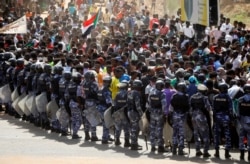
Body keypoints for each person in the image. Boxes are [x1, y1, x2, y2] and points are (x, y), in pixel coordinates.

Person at [190, 84, 213, 157]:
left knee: (196, 133)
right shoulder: (204, 98)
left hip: (193, 116)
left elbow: (190, 109)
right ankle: (205, 151)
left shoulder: (192, 97)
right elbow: (209, 108)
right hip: (201, 117)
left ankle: (198, 150)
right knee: (205, 133)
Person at [213, 83, 233, 158]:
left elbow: (213, 109)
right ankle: (227, 153)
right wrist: (231, 119)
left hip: (217, 118)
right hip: (226, 118)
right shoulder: (228, 97)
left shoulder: (215, 97)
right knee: (227, 134)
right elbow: (231, 110)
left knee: (216, 134)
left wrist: (215, 118)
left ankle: (217, 152)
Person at [148, 79, 167, 153]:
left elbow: (149, 103)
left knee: (152, 129)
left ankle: (153, 146)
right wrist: (163, 113)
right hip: (159, 113)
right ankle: (160, 147)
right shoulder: (162, 94)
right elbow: (164, 105)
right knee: (159, 130)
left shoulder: (151, 93)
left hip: (152, 113)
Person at [170, 82, 189, 155]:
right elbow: (188, 107)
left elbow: (171, 107)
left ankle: (174, 148)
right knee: (181, 133)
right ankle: (180, 149)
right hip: (182, 116)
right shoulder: (186, 96)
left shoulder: (174, 96)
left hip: (175, 115)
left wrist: (170, 115)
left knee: (175, 132)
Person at [82, 70, 99, 141]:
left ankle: (86, 134)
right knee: (93, 118)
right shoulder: (94, 84)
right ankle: (94, 136)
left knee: (87, 118)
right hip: (93, 102)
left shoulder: (84, 83)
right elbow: (97, 93)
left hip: (86, 101)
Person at [112, 81, 130, 147]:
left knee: (118, 127)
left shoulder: (117, 94)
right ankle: (127, 142)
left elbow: (114, 103)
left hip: (117, 112)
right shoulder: (128, 94)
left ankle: (117, 140)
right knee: (126, 127)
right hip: (125, 112)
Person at [127, 80, 143, 150]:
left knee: (134, 128)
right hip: (135, 113)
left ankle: (135, 142)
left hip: (130, 112)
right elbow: (138, 105)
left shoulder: (130, 92)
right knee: (135, 129)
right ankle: (134, 144)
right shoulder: (137, 94)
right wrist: (141, 113)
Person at [97, 76, 113, 144]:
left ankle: (107, 136)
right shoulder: (106, 90)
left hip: (99, 108)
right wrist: (112, 109)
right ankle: (104, 139)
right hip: (105, 109)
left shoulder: (100, 88)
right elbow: (108, 102)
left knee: (105, 123)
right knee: (106, 124)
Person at [66, 73, 83, 139]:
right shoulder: (78, 86)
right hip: (76, 104)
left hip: (70, 103)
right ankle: (74, 133)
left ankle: (74, 132)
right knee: (79, 120)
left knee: (74, 119)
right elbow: (78, 96)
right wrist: (80, 104)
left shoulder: (70, 85)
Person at [237, 83, 250, 161]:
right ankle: (249, 155)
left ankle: (241, 155)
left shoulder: (240, 99)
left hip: (242, 121)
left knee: (241, 137)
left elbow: (238, 112)